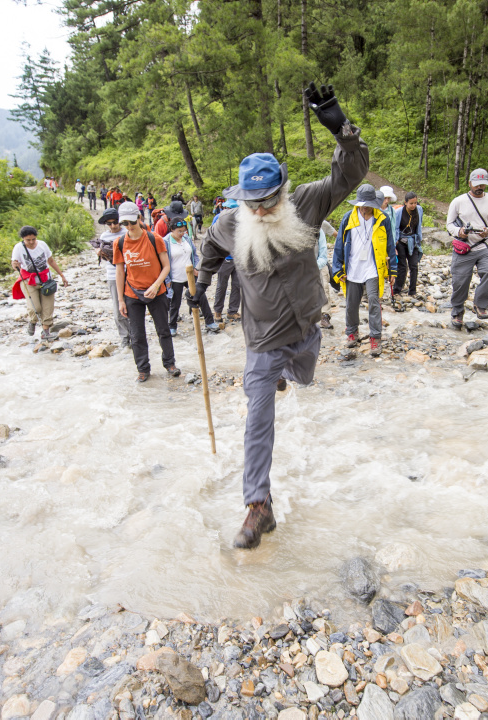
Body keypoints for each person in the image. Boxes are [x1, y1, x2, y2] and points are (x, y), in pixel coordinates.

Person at [189, 83, 368, 548]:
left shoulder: (307, 203)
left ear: (283, 191)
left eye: (270, 200)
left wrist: (337, 123)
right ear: (242, 201)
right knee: (258, 417)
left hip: (307, 327)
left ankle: (288, 373)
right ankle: (257, 507)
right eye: (254, 203)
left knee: (303, 376)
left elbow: (350, 175)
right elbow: (208, 247)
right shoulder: (230, 223)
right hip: (263, 338)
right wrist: (203, 285)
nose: (263, 210)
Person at [112, 201, 180, 382]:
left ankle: (170, 364)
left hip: (156, 292)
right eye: (124, 223)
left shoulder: (154, 239)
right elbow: (120, 272)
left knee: (163, 330)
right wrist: (120, 300)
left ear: (139, 218)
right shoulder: (119, 243)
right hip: (132, 293)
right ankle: (143, 369)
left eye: (132, 222)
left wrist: (156, 285)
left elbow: (166, 267)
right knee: (137, 334)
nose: (129, 227)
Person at [331, 184, 396, 356]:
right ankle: (352, 333)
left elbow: (390, 246)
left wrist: (393, 271)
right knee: (351, 304)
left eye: (369, 204)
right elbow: (339, 246)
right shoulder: (348, 218)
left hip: (373, 268)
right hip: (352, 268)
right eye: (362, 204)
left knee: (374, 301)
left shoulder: (382, 219)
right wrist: (338, 269)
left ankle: (375, 337)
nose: (365, 207)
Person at [445, 168, 488, 328]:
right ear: (469, 183)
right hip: (464, 247)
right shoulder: (458, 201)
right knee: (460, 281)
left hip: (484, 245)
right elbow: (449, 224)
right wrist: (460, 232)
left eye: (482, 185)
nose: (479, 188)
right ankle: (457, 312)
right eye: (476, 184)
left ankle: (480, 305)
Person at [11, 225, 68, 340]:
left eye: (33, 239)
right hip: (28, 281)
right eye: (28, 240)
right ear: (23, 239)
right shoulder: (18, 248)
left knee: (48, 307)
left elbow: (50, 260)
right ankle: (32, 321)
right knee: (35, 307)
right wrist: (15, 265)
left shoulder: (42, 245)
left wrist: (61, 275)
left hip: (46, 280)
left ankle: (45, 332)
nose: (31, 242)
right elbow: (14, 263)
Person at [164, 217, 220, 336]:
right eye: (179, 231)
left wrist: (197, 267)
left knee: (201, 297)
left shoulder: (187, 239)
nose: (182, 233)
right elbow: (163, 263)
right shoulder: (166, 242)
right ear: (172, 229)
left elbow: (194, 255)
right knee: (175, 303)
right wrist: (167, 280)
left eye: (184, 231)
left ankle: (209, 322)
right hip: (175, 277)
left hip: (190, 275)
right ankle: (172, 326)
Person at [90, 208, 130, 347]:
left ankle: (136, 336)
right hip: (113, 275)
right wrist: (98, 252)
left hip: (131, 274)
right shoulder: (104, 236)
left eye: (115, 222)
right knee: (119, 307)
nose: (113, 226)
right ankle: (125, 339)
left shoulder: (127, 233)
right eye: (109, 223)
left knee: (133, 307)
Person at [212, 200, 243, 324]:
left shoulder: (241, 219)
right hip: (224, 258)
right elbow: (213, 237)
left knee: (237, 285)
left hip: (238, 257)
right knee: (221, 285)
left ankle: (232, 311)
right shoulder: (218, 219)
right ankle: (218, 311)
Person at [392, 192, 424, 296]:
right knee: (402, 266)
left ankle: (412, 291)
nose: (414, 205)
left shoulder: (419, 210)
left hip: (413, 241)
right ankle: (397, 289)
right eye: (411, 203)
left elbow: (419, 225)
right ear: (405, 202)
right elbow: (396, 227)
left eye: (415, 203)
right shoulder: (399, 212)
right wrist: (395, 241)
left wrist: (419, 240)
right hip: (401, 241)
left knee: (414, 266)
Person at [318, 219, 336, 328]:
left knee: (324, 284)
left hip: (319, 264)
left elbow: (323, 256)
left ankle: (325, 316)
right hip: (301, 266)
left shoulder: (319, 230)